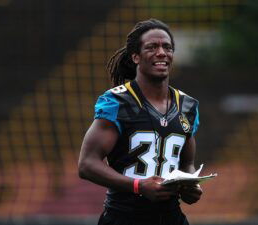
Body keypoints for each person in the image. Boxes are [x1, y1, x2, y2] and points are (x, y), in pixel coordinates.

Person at [78, 19, 202, 225]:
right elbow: (87, 164)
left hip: (171, 217)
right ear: (136, 56)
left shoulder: (187, 106)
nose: (161, 52)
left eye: (167, 47)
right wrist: (138, 185)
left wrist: (192, 186)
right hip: (125, 216)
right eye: (152, 47)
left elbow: (187, 162)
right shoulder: (117, 102)